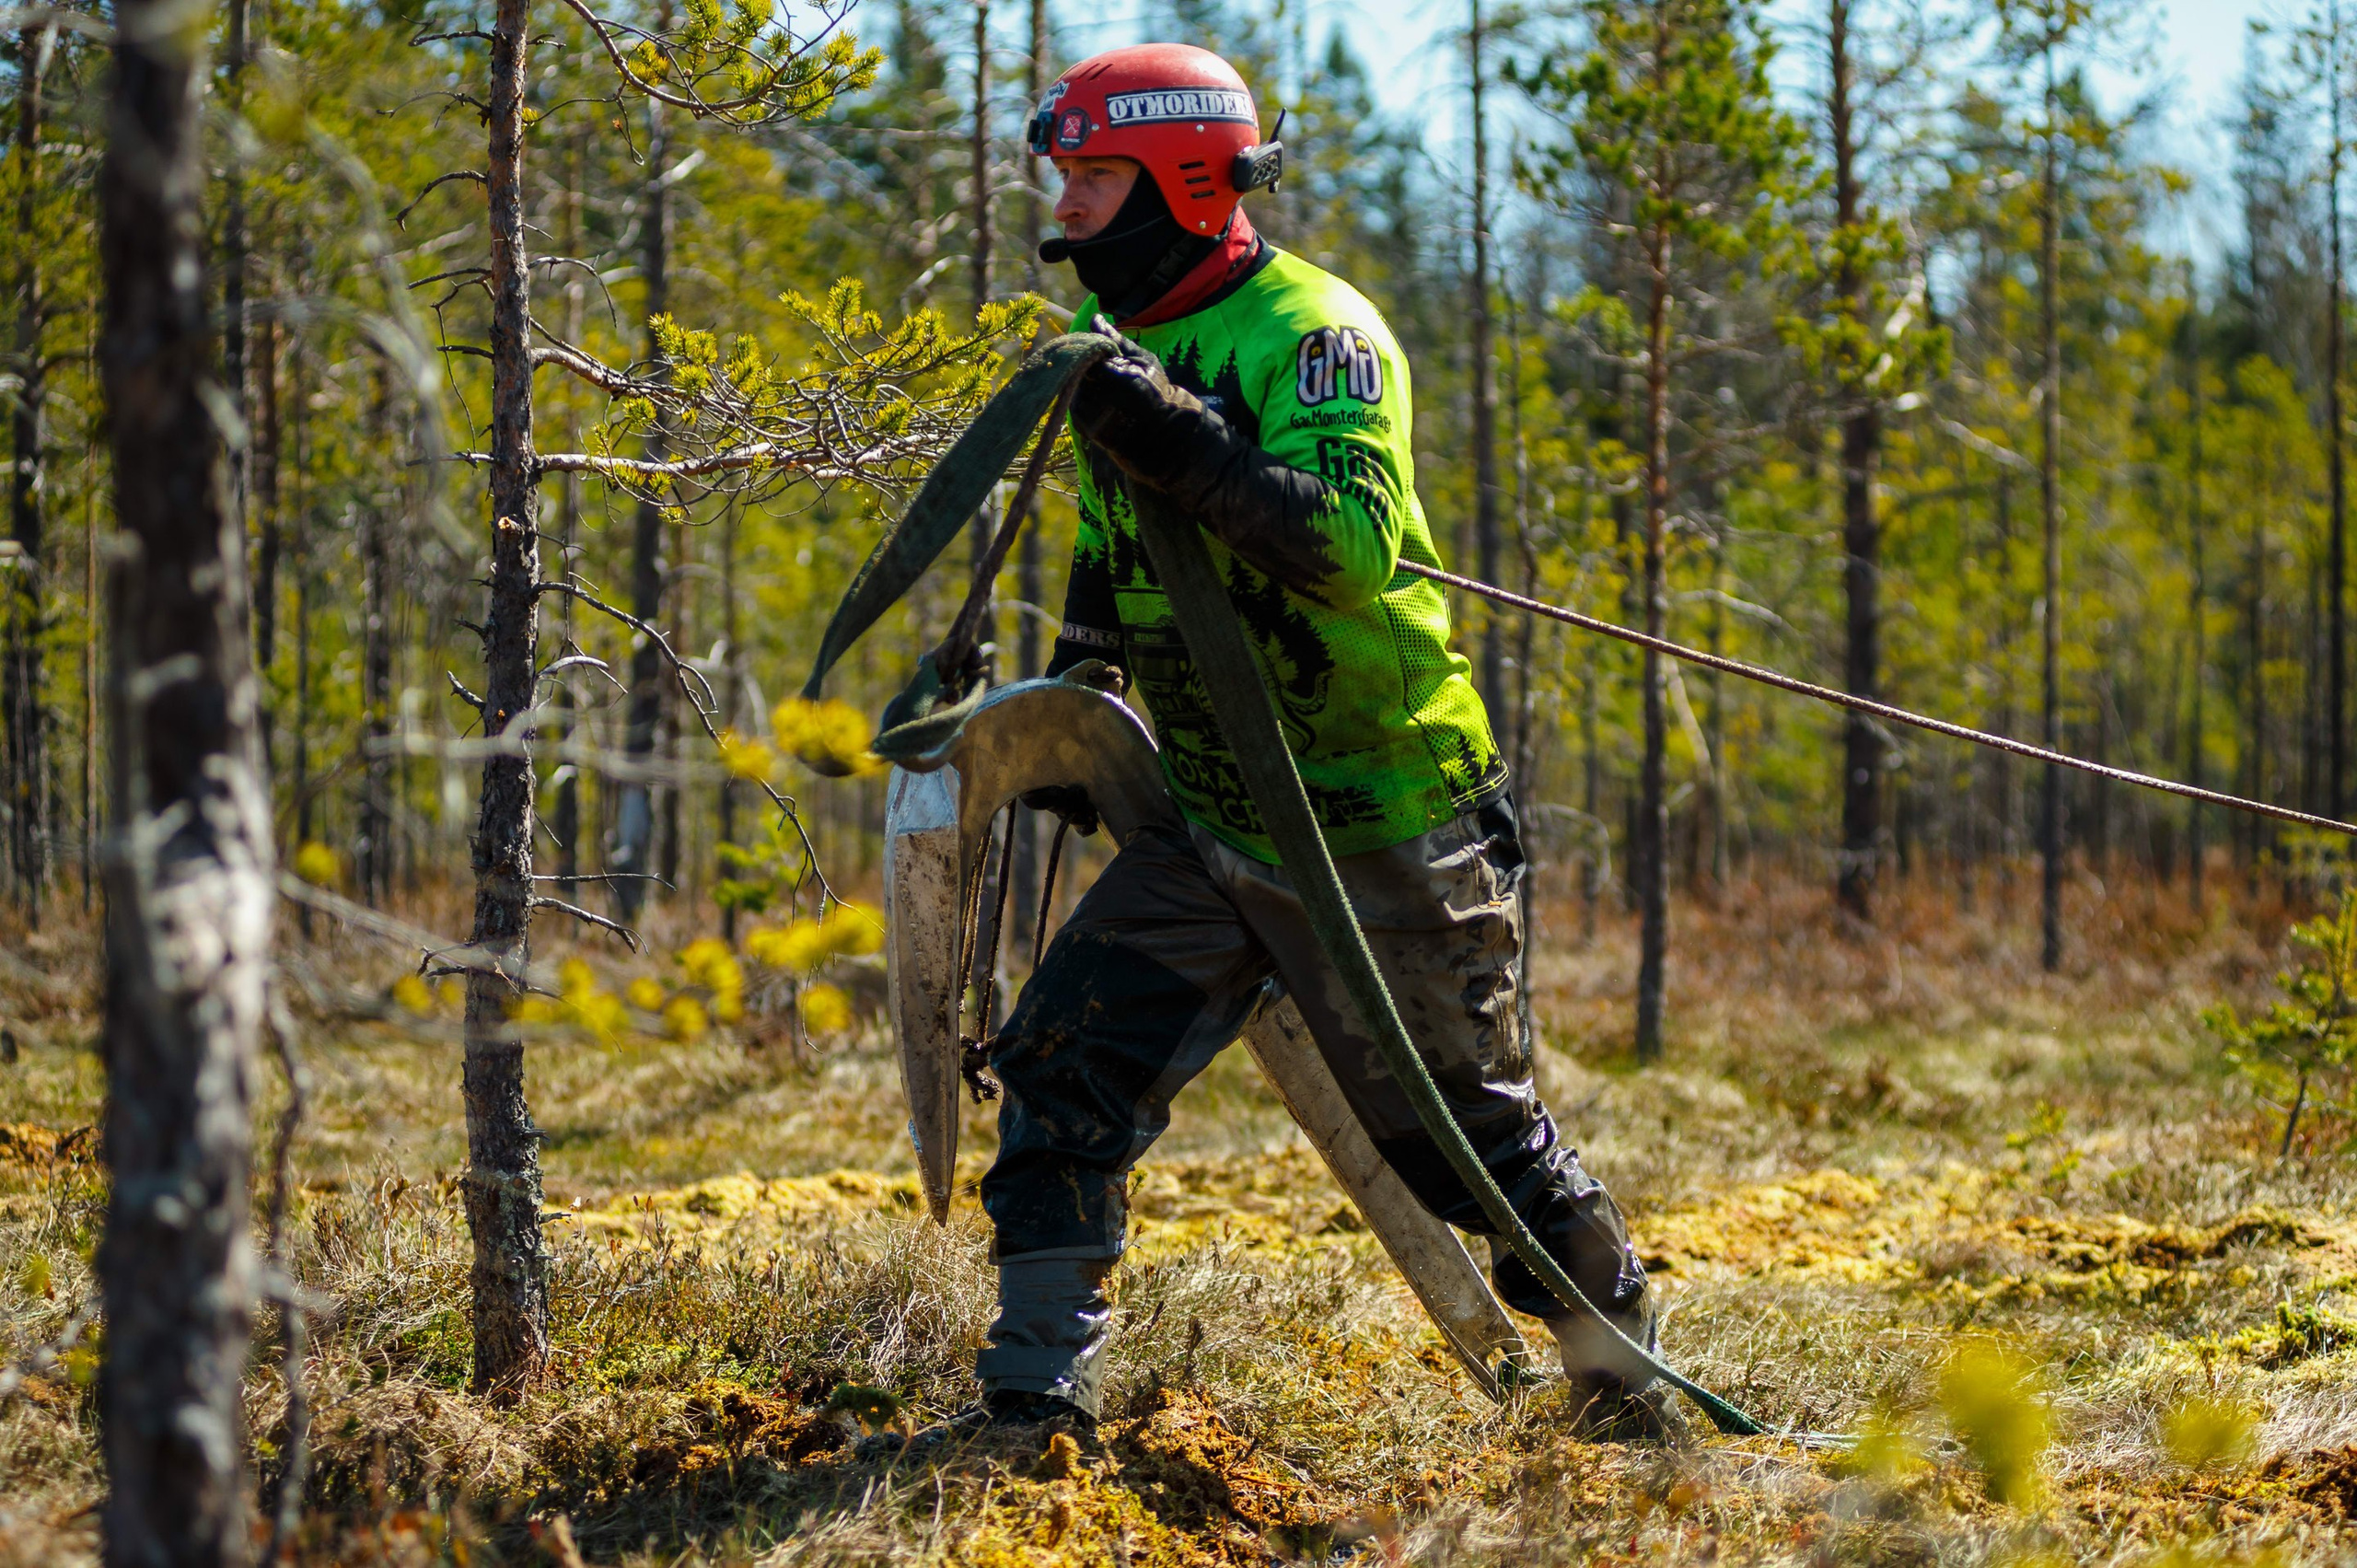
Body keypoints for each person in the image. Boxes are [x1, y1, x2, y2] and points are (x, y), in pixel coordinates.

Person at [960, 41, 1658, 1439]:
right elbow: (1116, 532)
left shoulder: (1317, 334)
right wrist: (1083, 682)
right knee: (1061, 1066)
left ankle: (1624, 1386)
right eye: (1069, 178)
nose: (1070, 205)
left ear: (1188, 183)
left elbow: (1342, 549)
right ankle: (1030, 1405)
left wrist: (1184, 444)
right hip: (1213, 820)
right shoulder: (1132, 346)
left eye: (1097, 177)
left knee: (1460, 1153)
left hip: (1381, 823)